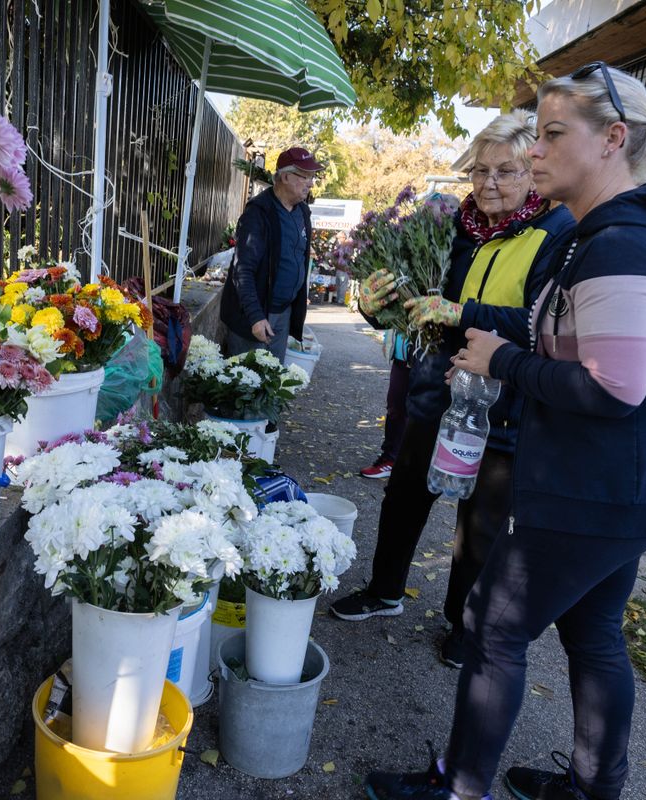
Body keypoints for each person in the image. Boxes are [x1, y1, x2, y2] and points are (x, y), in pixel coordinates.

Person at [363, 64, 646, 800]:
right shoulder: (614, 231)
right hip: (638, 484)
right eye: (535, 134)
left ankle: (458, 787)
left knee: (492, 627)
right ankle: (594, 789)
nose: (535, 151)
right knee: (591, 630)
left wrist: (504, 361)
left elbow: (610, 385)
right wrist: (457, 319)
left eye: (553, 134)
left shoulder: (622, 244)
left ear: (614, 140)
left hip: (598, 488)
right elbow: (556, 335)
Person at [331, 113, 575, 672]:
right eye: (480, 170)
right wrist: (374, 301)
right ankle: (385, 590)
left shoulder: (557, 233)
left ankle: (462, 624)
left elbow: (544, 322)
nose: (489, 183)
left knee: (481, 524)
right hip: (434, 391)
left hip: (504, 405)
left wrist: (463, 313)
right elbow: (409, 308)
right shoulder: (451, 228)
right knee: (405, 497)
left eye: (506, 171)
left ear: (532, 172)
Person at [220, 147, 324, 363]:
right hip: (255, 316)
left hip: (283, 314)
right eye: (305, 176)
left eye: (312, 177)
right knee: (246, 384)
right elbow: (243, 270)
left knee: (272, 383)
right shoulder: (259, 213)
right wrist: (256, 317)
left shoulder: (302, 212)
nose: (311, 183)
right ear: (285, 176)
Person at [359, 330, 412, 479]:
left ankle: (396, 460)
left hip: (425, 358)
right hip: (401, 356)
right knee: (395, 407)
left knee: (412, 411)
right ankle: (391, 459)